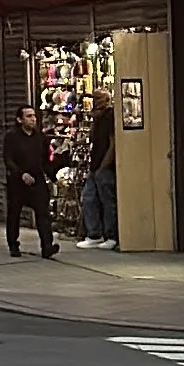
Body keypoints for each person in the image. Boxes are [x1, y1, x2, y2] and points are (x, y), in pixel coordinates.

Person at [2, 103, 60, 261]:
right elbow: (8, 160)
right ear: (20, 120)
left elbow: (45, 160)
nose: (33, 119)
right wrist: (20, 174)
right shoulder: (12, 137)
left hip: (37, 179)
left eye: (34, 116)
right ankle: (13, 244)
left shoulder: (40, 137)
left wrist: (55, 177)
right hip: (18, 182)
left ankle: (47, 246)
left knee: (43, 213)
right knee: (14, 213)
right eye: (29, 116)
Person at [80, 87, 118, 250]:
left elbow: (113, 142)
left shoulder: (110, 116)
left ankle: (111, 235)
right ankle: (94, 233)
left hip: (105, 166)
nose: (94, 101)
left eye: (98, 98)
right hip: (95, 165)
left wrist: (104, 165)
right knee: (89, 198)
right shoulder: (99, 118)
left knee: (107, 200)